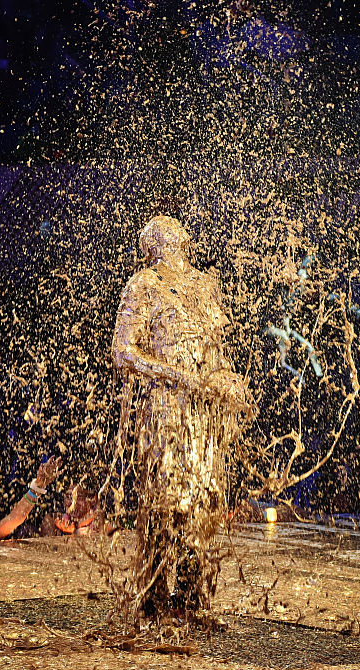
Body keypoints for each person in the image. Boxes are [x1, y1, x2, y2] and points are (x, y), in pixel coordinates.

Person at [111, 215, 252, 617]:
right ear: (150, 246)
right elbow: (123, 352)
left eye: (175, 232)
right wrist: (179, 377)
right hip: (166, 409)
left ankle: (192, 597)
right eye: (162, 234)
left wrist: (229, 382)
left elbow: (216, 353)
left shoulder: (206, 286)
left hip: (205, 414)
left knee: (204, 501)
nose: (172, 238)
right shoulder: (143, 284)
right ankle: (153, 597)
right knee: (165, 501)